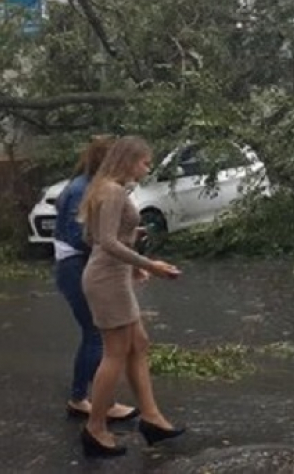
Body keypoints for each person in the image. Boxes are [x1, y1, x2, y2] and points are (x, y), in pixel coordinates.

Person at [77, 136, 184, 458]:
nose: (147, 168)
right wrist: (149, 263)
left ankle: (152, 418)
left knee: (139, 344)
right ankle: (95, 428)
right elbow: (106, 241)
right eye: (144, 162)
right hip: (107, 280)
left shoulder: (105, 188)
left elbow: (91, 236)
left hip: (113, 275)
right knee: (115, 353)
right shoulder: (111, 190)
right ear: (127, 160)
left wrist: (131, 247)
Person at [54, 136, 140, 423]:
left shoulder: (89, 185)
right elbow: (84, 237)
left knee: (96, 334)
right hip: (75, 265)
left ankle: (86, 398)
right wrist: (123, 249)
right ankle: (87, 400)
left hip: (78, 263)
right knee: (96, 333)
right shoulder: (85, 189)